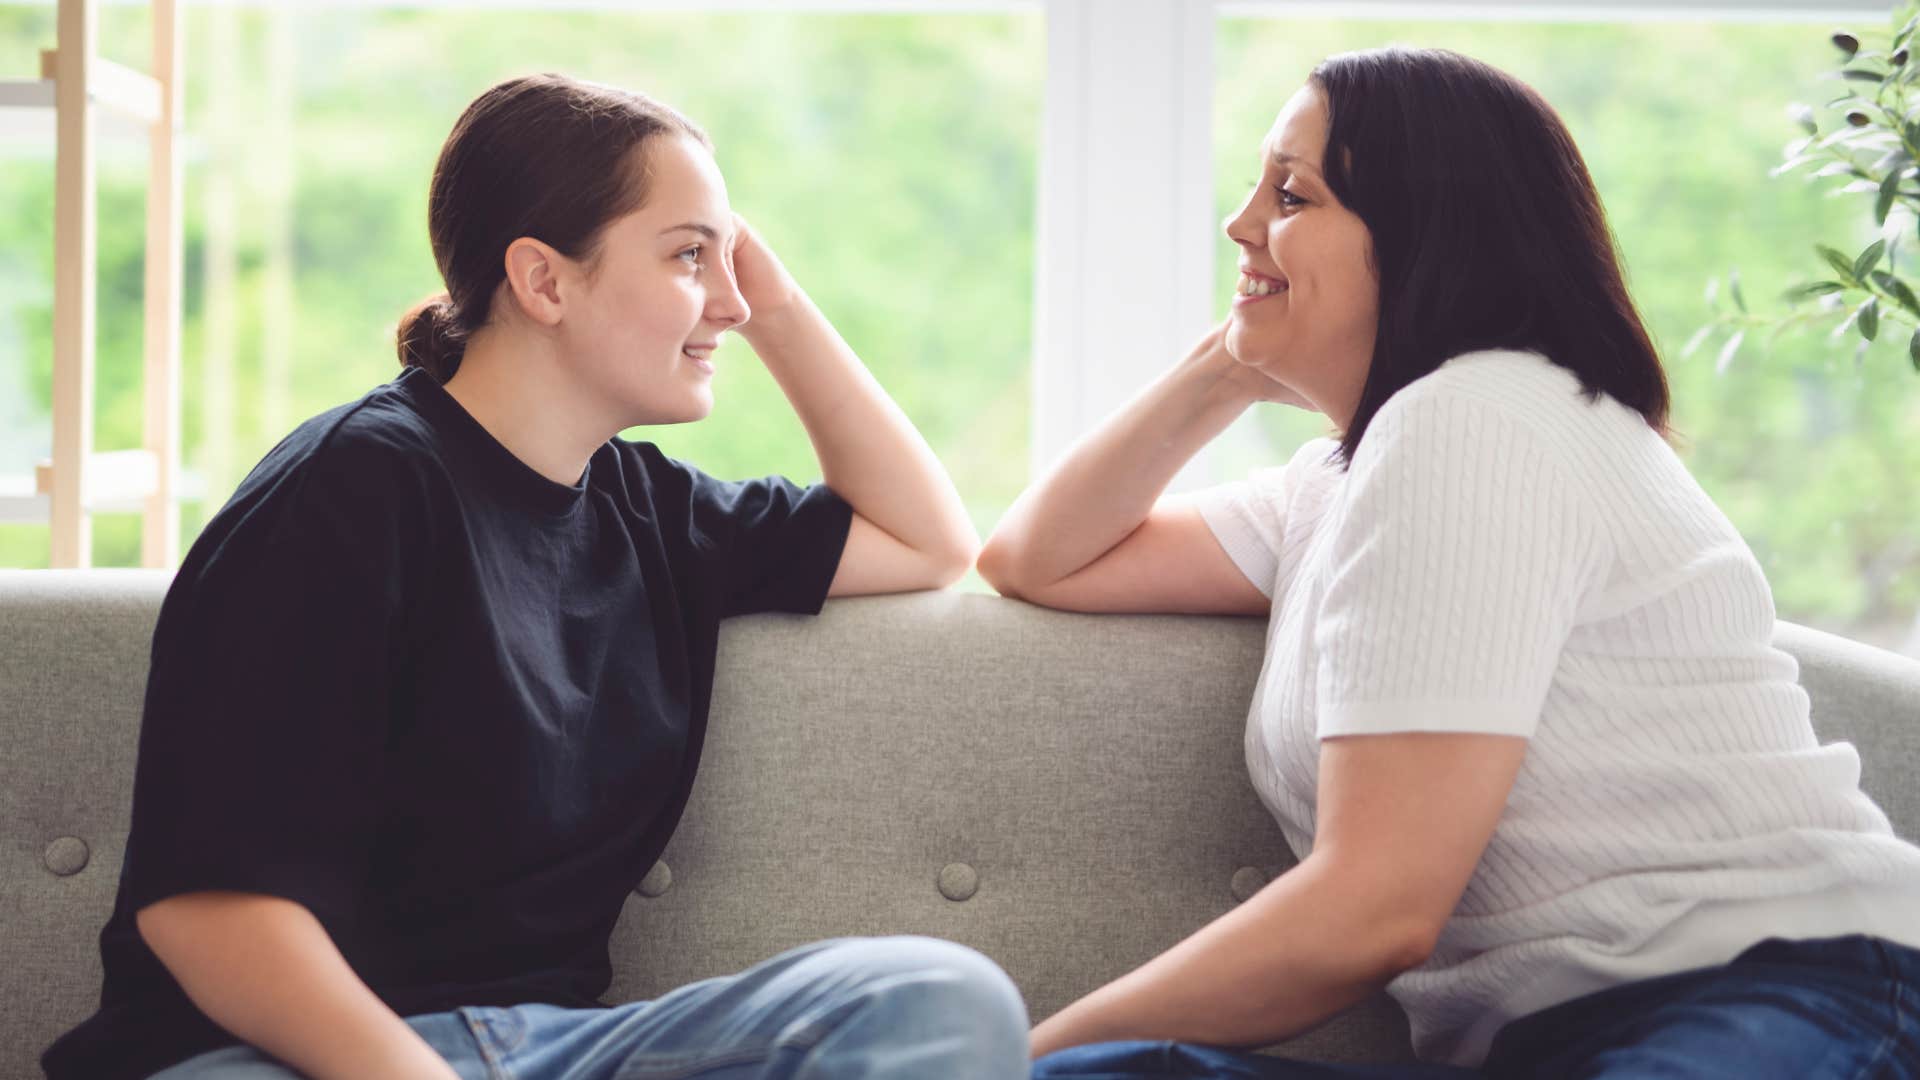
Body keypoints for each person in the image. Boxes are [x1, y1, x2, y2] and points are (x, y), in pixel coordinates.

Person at [43, 73, 1027, 1080]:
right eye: (691, 256)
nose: (727, 302)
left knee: (932, 1000)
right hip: (282, 1060)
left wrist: (770, 302)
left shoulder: (653, 508)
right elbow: (208, 912)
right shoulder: (351, 489)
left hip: (547, 1049)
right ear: (545, 281)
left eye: (729, 261)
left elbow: (926, 540)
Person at [980, 45, 1920, 1080]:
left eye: (1292, 195)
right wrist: (1231, 360)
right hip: (1548, 1049)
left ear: (1425, 236)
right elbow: (1038, 557)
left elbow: (1375, 911)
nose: (1241, 222)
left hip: (1782, 990)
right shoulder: (1339, 480)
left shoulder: (1479, 416)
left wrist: (996, 1064)